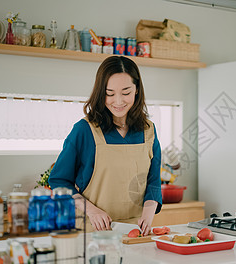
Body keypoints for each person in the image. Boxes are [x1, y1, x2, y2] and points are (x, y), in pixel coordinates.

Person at [48, 56, 162, 235]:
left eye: (126, 93)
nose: (118, 101)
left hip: (135, 232)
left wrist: (148, 215)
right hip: (92, 231)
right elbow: (59, 181)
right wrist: (91, 210)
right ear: (101, 92)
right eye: (109, 93)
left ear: (137, 90)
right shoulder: (84, 130)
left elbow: (153, 182)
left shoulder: (149, 131)